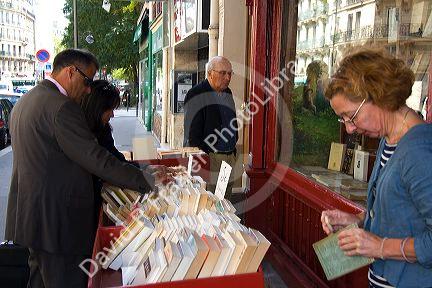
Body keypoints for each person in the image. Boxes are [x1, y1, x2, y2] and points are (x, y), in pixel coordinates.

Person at [4, 49, 164, 287]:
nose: (89, 89)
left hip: (31, 218)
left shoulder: (26, 101)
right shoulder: (62, 107)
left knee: (38, 280)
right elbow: (97, 159)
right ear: (71, 72)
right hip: (58, 224)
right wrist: (147, 180)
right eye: (87, 81)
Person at [320, 48, 432, 287]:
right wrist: (356, 220)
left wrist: (380, 247)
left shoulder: (419, 151)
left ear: (377, 95)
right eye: (343, 120)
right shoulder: (388, 139)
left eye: (351, 116)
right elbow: (399, 215)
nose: (349, 129)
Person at [81, 79, 139, 228]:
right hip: (87, 202)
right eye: (110, 109)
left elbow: (115, 157)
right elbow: (107, 165)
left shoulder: (103, 127)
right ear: (98, 108)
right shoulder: (82, 132)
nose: (112, 115)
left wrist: (142, 170)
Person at [183, 56, 238, 200]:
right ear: (210, 73)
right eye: (223, 73)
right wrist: (201, 160)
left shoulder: (227, 93)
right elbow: (191, 133)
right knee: (211, 202)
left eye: (230, 73)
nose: (227, 77)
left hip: (229, 156)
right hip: (211, 157)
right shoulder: (196, 94)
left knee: (226, 202)